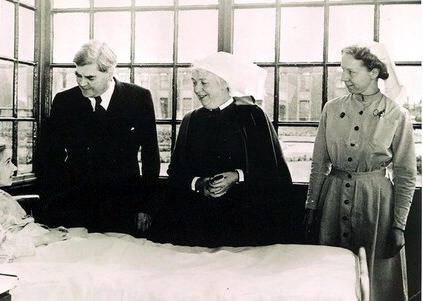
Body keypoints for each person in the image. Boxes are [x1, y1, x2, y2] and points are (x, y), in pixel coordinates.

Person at [303, 42, 417, 301]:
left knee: (374, 282)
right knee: (329, 278)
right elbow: (319, 163)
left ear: (374, 71)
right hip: (331, 205)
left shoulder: (397, 115)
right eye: (342, 70)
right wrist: (311, 208)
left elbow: (406, 173)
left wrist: (398, 225)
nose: (344, 78)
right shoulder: (331, 109)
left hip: (375, 206)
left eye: (351, 72)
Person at [161, 52, 293, 248]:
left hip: (244, 226)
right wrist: (199, 184)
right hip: (198, 226)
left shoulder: (253, 116)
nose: (197, 90)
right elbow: (176, 172)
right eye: (194, 82)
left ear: (224, 83)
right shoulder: (191, 120)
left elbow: (273, 171)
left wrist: (237, 176)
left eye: (204, 83)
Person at [38, 40, 160, 235]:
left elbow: (150, 156)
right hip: (74, 206)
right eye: (78, 75)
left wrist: (146, 206)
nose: (82, 83)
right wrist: (53, 200)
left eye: (90, 77)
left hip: (123, 206)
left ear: (110, 73)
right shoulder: (64, 101)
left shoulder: (139, 98)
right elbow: (50, 156)